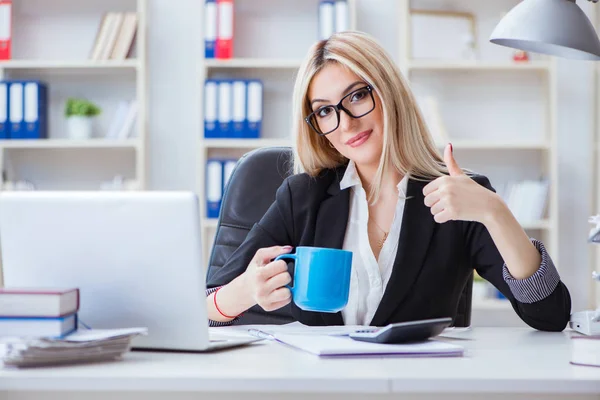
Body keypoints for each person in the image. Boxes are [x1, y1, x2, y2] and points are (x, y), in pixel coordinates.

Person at [205, 31, 571, 331]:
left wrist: (495, 213)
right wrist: (242, 293)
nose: (345, 123)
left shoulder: (458, 195)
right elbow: (204, 308)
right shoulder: (303, 196)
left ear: (389, 93)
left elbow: (550, 314)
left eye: (358, 96)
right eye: (325, 111)